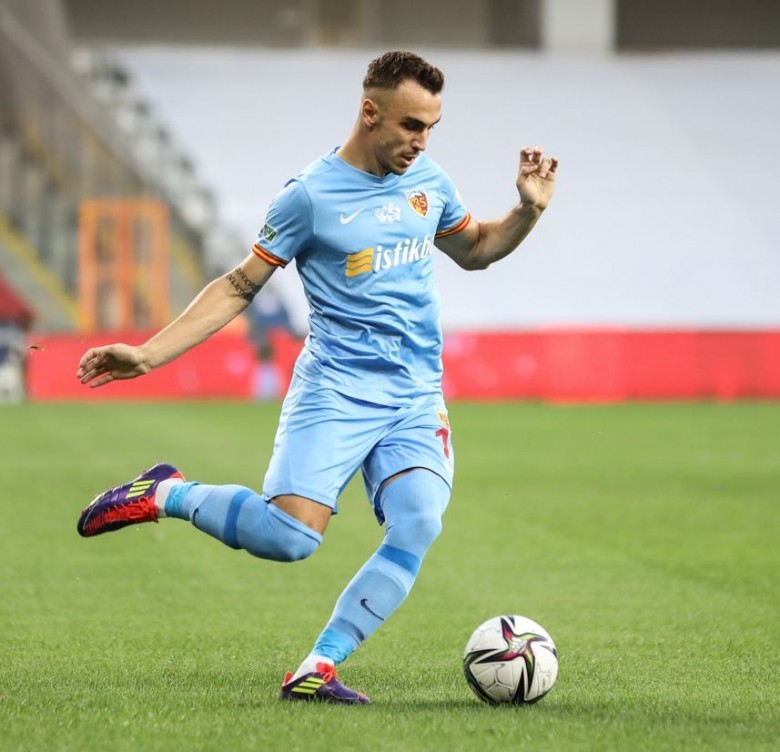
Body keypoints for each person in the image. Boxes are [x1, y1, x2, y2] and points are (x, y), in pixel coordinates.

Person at [75, 50, 558, 705]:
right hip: (335, 389)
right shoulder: (309, 196)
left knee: (419, 522)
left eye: (431, 128)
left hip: (414, 395)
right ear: (370, 112)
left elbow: (475, 250)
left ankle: (319, 665)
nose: (422, 141)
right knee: (289, 538)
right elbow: (239, 285)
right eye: (412, 125)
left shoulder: (430, 182)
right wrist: (148, 355)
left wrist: (527, 211)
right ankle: (167, 493)